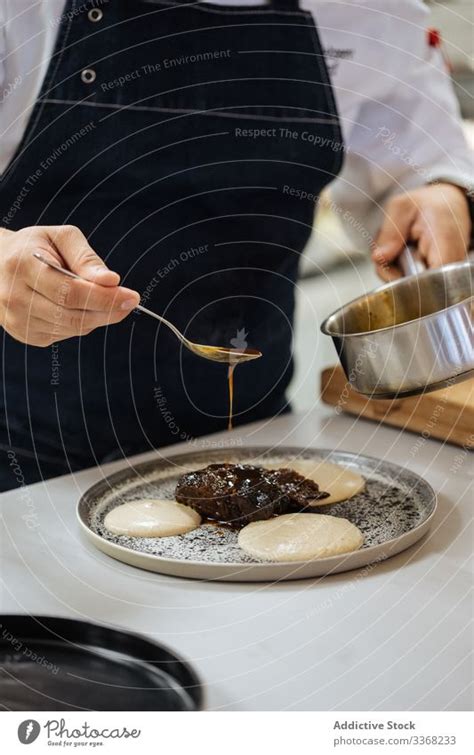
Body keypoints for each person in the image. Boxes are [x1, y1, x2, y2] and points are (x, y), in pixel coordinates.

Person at [0, 0, 472, 491]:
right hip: (23, 458)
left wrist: (443, 193)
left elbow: (415, 165)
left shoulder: (368, 10)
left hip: (257, 436)